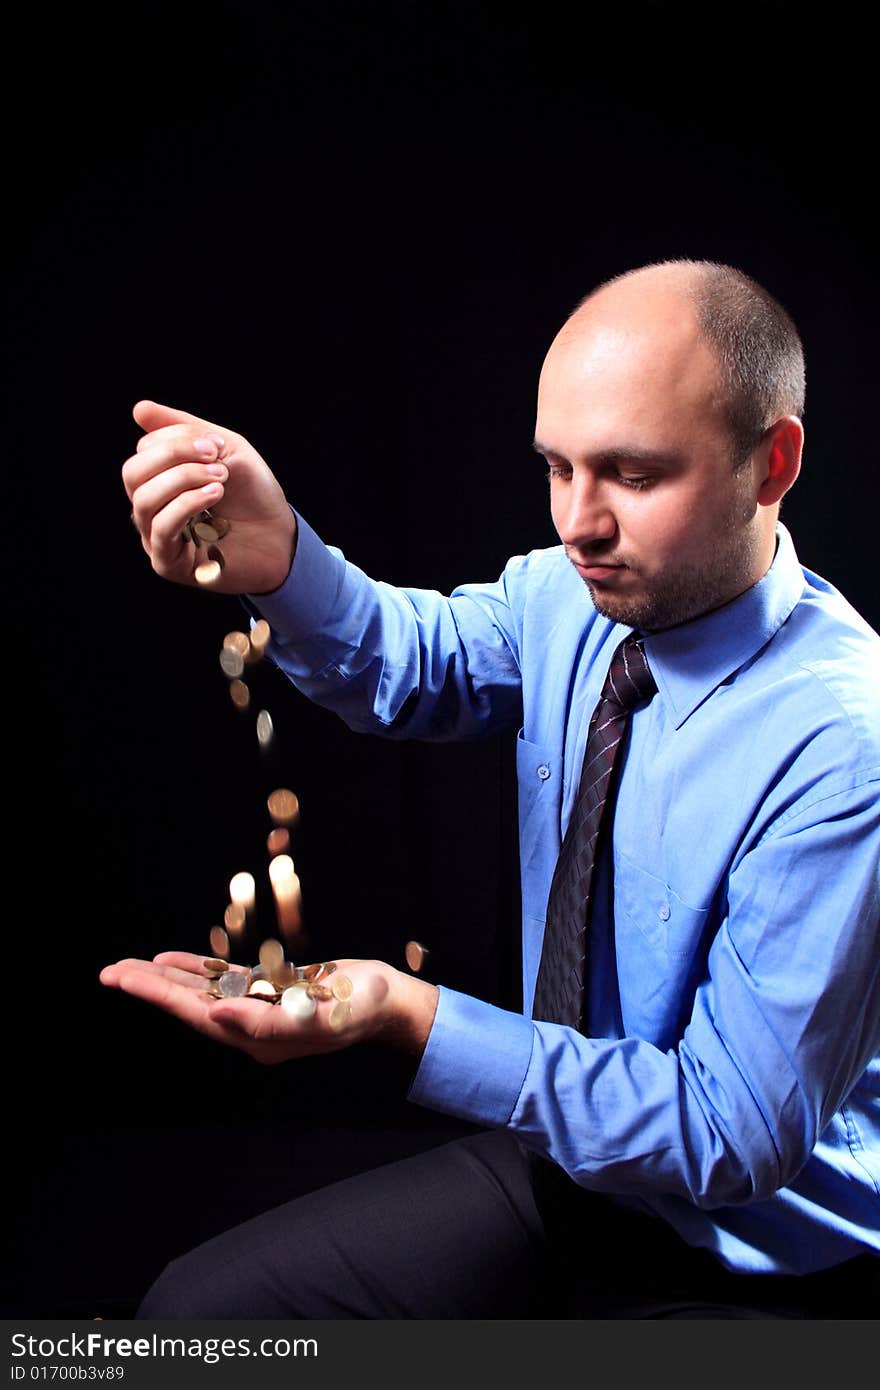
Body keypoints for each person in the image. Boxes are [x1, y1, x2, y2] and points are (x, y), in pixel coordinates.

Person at [102, 259, 880, 1319]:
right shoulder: (567, 595)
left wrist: (406, 1017)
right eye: (556, 468)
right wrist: (277, 558)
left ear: (771, 463)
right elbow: (402, 664)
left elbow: (727, 1130)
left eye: (633, 476)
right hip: (565, 1170)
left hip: (773, 1258)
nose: (578, 522)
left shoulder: (845, 742)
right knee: (191, 1322)